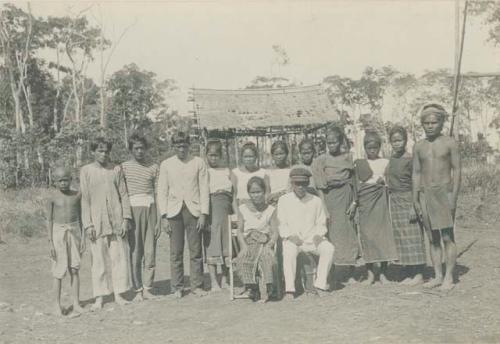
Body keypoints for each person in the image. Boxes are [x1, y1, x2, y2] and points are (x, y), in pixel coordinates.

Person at [413, 104, 461, 291]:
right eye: (426, 123)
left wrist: (453, 197)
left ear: (441, 123)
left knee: (447, 236)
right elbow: (416, 173)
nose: (430, 126)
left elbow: (457, 171)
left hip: (444, 193)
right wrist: (415, 198)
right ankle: (437, 275)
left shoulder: (450, 143)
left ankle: (449, 277)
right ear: (422, 124)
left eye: (434, 122)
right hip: (426, 193)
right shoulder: (419, 146)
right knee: (432, 238)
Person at [80, 138, 132, 310]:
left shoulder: (116, 169)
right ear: (93, 152)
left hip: (116, 220)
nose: (103, 154)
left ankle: (119, 293)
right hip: (97, 222)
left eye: (106, 151)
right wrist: (88, 224)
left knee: (119, 258)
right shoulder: (86, 171)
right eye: (100, 151)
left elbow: (124, 195)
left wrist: (125, 218)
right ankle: (100, 297)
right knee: (98, 261)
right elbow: (85, 200)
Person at [158, 132, 209, 298]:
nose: (181, 149)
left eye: (184, 146)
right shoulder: (166, 165)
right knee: (176, 252)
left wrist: (203, 213)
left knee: (195, 250)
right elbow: (162, 191)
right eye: (178, 146)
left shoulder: (198, 162)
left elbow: (204, 189)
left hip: (194, 210)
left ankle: (197, 285)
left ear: (189, 145)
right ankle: (177, 287)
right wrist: (164, 216)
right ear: (173, 147)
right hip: (174, 212)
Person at [278, 167, 335, 299]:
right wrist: (290, 236)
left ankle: (320, 285)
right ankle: (290, 290)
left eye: (304, 183)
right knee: (288, 252)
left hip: (312, 240)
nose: (301, 187)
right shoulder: (284, 200)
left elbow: (321, 223)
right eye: (297, 184)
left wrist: (318, 235)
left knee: (328, 248)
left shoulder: (316, 201)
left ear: (308, 183)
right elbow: (282, 223)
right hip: (293, 240)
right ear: (292, 184)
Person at [312, 127, 358, 283]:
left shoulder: (348, 158)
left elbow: (354, 181)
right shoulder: (321, 160)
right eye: (328, 142)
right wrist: (324, 208)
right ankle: (330, 272)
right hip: (329, 199)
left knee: (348, 233)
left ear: (340, 142)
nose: (331, 145)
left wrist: (354, 202)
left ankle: (351, 270)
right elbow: (320, 187)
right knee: (330, 234)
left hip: (346, 197)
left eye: (334, 142)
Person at [354, 131, 398, 285]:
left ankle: (383, 273)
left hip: (380, 203)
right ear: (365, 148)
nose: (372, 150)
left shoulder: (385, 162)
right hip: (365, 203)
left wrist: (383, 181)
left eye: (375, 147)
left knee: (382, 235)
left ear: (379, 147)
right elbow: (356, 184)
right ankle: (370, 274)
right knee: (368, 237)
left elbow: (391, 181)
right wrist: (356, 202)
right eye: (368, 147)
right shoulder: (359, 163)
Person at [121, 133, 161, 301]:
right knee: (135, 252)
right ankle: (137, 290)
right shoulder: (123, 167)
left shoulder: (154, 167)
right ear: (131, 149)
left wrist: (158, 218)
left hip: (150, 209)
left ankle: (147, 288)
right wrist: (125, 217)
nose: (139, 151)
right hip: (132, 211)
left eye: (142, 148)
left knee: (150, 252)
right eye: (136, 148)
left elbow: (158, 193)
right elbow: (121, 194)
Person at [387, 126, 426, 285]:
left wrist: (413, 205)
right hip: (395, 200)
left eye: (400, 140)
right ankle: (408, 272)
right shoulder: (391, 159)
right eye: (394, 141)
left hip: (408, 198)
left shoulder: (410, 159)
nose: (397, 143)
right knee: (401, 237)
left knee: (413, 236)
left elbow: (416, 183)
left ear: (405, 140)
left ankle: (418, 273)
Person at [47, 166, 85, 316]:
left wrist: (83, 238)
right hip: (58, 233)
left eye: (66, 180)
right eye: (60, 180)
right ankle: (56, 305)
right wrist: (50, 241)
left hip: (74, 231)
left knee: (74, 269)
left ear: (71, 179)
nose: (63, 183)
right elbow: (49, 220)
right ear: (55, 182)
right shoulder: (52, 198)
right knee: (58, 271)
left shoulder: (77, 195)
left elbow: (81, 218)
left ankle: (76, 303)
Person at [235, 176, 278, 302]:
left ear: (264, 192)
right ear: (248, 193)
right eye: (253, 192)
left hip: (264, 242)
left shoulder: (271, 210)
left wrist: (270, 246)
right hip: (248, 242)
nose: (256, 195)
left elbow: (275, 232)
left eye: (258, 192)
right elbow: (239, 230)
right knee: (243, 259)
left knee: (267, 258)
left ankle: (266, 290)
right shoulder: (242, 208)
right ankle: (252, 288)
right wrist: (243, 247)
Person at [205, 140, 233, 291]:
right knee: (212, 244)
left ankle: (225, 280)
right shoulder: (205, 172)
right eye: (211, 155)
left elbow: (233, 194)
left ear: (221, 156)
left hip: (226, 210)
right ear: (206, 155)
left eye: (216, 155)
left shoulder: (227, 171)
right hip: (211, 211)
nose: (213, 158)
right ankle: (213, 281)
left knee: (226, 244)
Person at [231, 142, 268, 210]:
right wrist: (237, 213)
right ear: (241, 157)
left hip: (259, 208)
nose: (248, 159)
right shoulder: (235, 173)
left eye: (251, 156)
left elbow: (266, 194)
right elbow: (233, 197)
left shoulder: (263, 173)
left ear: (256, 157)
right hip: (241, 208)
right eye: (246, 156)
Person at [266, 140, 291, 205]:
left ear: (287, 154)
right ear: (272, 155)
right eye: (276, 154)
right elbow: (267, 194)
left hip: (289, 203)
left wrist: (279, 194)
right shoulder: (268, 173)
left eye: (281, 153)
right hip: (273, 204)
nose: (279, 157)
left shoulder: (291, 170)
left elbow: (292, 190)